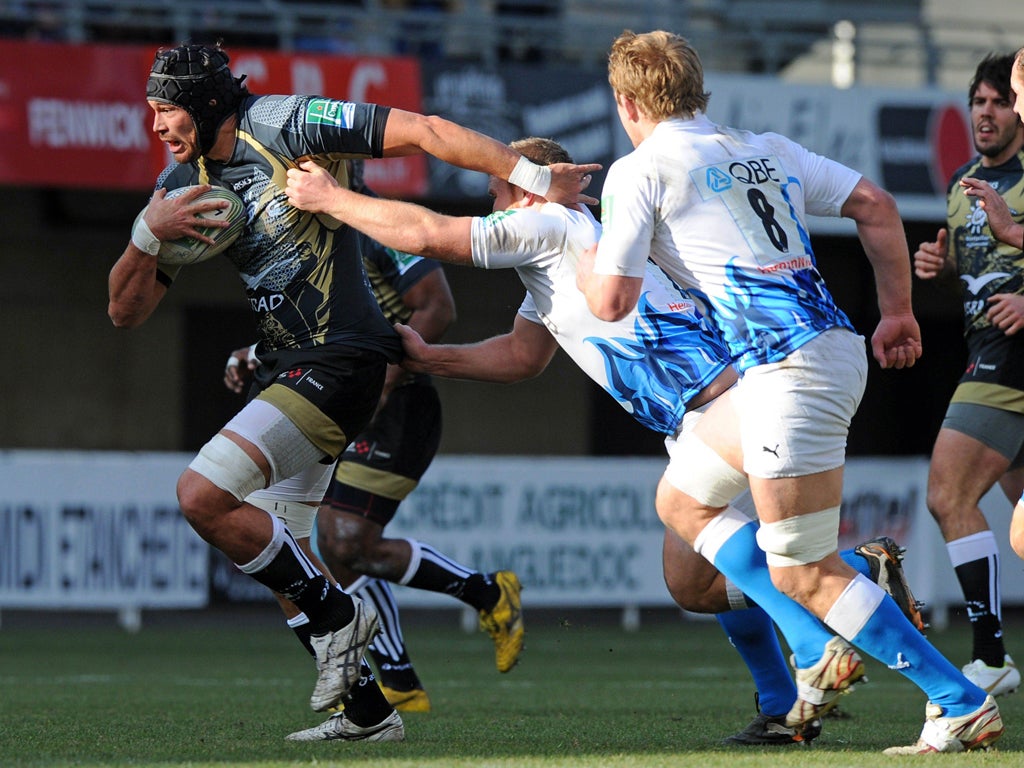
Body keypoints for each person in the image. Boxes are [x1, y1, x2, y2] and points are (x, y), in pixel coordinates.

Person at [283, 135, 928, 746]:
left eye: (497, 195)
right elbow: (523, 355)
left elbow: (432, 236)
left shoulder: (549, 225)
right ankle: (820, 638)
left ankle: (836, 657)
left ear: (526, 192)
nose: (492, 207)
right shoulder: (571, 247)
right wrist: (432, 359)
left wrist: (333, 200)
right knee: (695, 582)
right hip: (704, 408)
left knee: (721, 549)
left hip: (718, 402)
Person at [107, 43, 596, 739]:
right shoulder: (183, 184)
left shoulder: (284, 122)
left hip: (347, 359)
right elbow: (123, 312)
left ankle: (344, 616)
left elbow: (424, 131)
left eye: (165, 108)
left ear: (208, 102)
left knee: (202, 497)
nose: (155, 124)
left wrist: (531, 178)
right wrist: (143, 236)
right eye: (150, 109)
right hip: (291, 363)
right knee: (290, 558)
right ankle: (368, 712)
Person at [577, 30, 1002, 754]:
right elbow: (875, 203)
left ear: (627, 101)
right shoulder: (765, 146)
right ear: (696, 89)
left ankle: (957, 700)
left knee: (801, 568)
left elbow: (611, 303)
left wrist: (586, 259)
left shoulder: (638, 169)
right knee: (681, 501)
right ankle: (826, 625)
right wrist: (896, 311)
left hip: (784, 369)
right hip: (818, 352)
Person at [912, 52, 1024, 698]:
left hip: (1008, 364)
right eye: (978, 102)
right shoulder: (961, 185)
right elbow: (970, 259)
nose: (985, 113)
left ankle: (990, 656)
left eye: (999, 102)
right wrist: (940, 261)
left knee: (948, 494)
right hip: (988, 351)